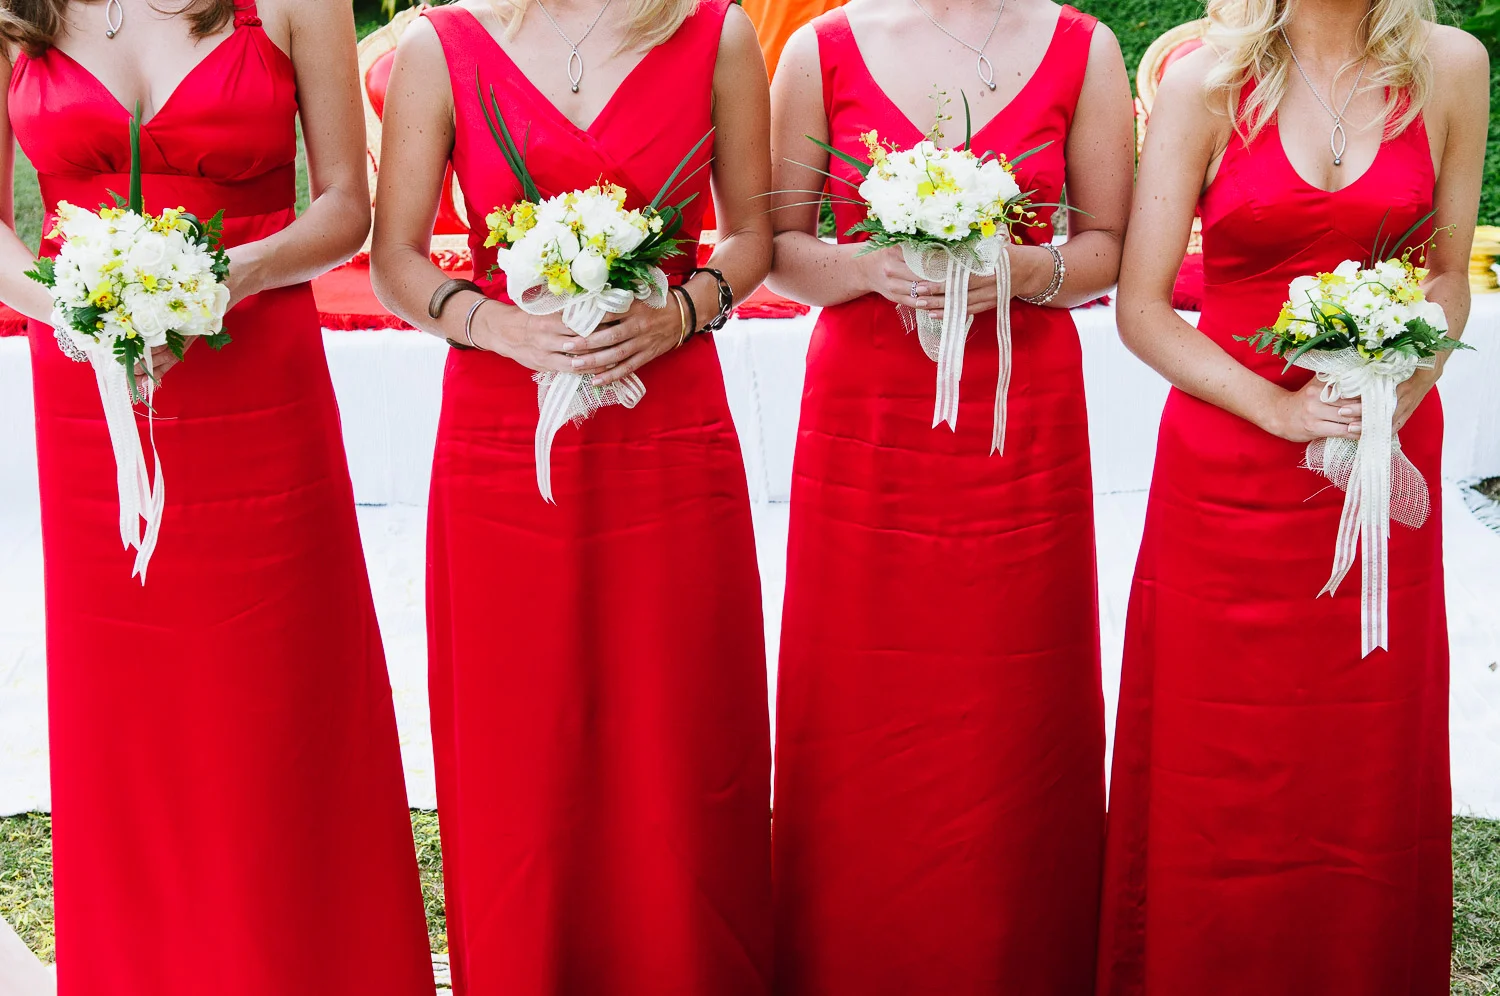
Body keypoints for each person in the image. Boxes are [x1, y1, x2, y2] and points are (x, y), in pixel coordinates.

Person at [0, 1, 435, 993]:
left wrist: (217, 279)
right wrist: (80, 310)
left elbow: (342, 207)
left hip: (257, 381)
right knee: (129, 728)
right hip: (90, 390)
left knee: (280, 708)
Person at [369, 0, 775, 991]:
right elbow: (394, 260)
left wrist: (685, 310)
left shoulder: (713, 33)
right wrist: (492, 327)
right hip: (506, 435)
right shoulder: (440, 46)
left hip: (667, 423)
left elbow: (753, 236)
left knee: (677, 725)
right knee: (522, 730)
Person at [1096, 0, 1486, 992]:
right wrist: (1275, 415)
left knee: (1362, 753)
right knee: (1220, 755)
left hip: (1379, 451)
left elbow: (1446, 277)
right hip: (1228, 472)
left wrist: (1398, 389)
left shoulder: (1449, 67)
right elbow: (1141, 309)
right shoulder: (1201, 82)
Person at [765, 0, 1134, 991]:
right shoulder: (821, 48)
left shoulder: (1084, 47)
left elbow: (1106, 250)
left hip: (1023, 416)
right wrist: (868, 265)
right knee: (860, 693)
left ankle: (1020, 952)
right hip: (867, 419)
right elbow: (779, 246)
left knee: (1014, 692)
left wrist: (1011, 270)